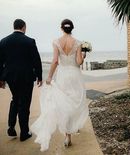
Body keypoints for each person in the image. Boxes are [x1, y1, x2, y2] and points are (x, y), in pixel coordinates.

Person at [31, 19, 89, 151]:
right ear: (72, 28)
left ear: (62, 28)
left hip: (62, 75)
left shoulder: (56, 42)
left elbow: (55, 61)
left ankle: (67, 136)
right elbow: (79, 62)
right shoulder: (78, 43)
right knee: (75, 101)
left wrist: (50, 76)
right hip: (75, 75)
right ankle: (74, 126)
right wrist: (84, 55)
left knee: (64, 103)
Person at [0, 19, 43, 141]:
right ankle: (24, 132)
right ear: (23, 27)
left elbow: (0, 62)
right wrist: (39, 76)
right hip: (26, 77)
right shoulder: (29, 41)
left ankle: (11, 126)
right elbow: (36, 60)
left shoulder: (3, 41)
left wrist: (1, 78)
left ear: (14, 27)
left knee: (15, 99)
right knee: (24, 103)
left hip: (10, 77)